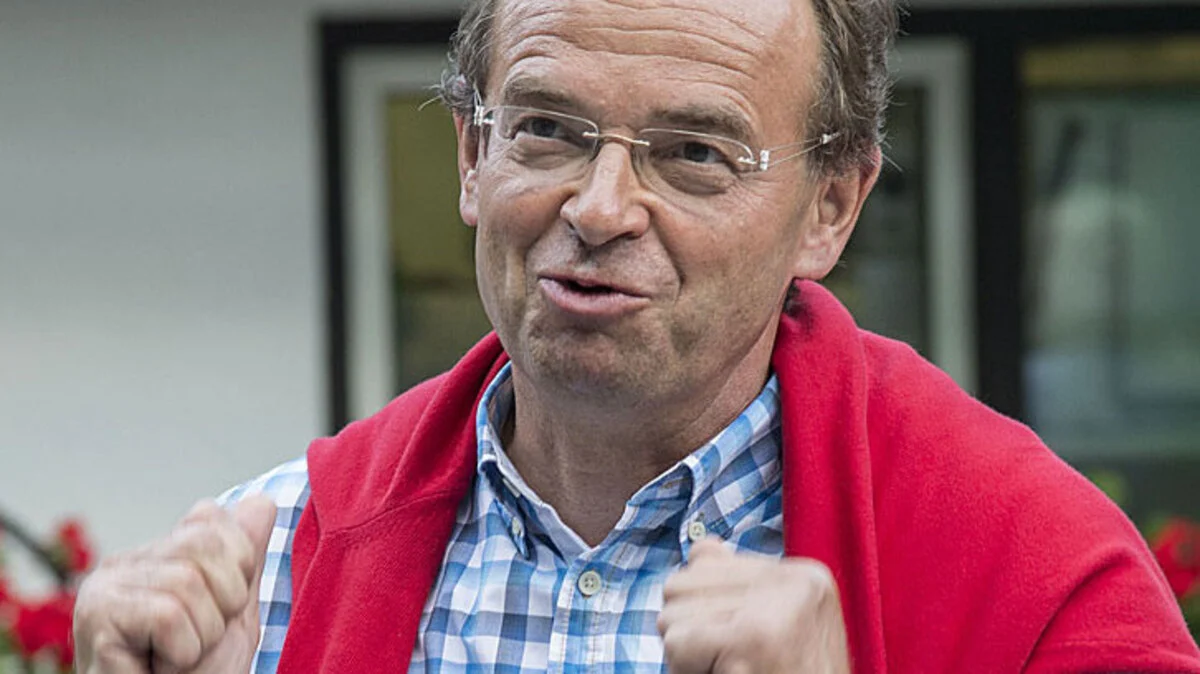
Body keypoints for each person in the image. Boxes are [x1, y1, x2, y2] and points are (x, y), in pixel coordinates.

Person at [73, 0, 1200, 671]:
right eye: (548, 129)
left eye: (696, 153)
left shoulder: (1043, 582)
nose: (601, 206)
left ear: (831, 209)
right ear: (472, 157)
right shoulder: (269, 569)